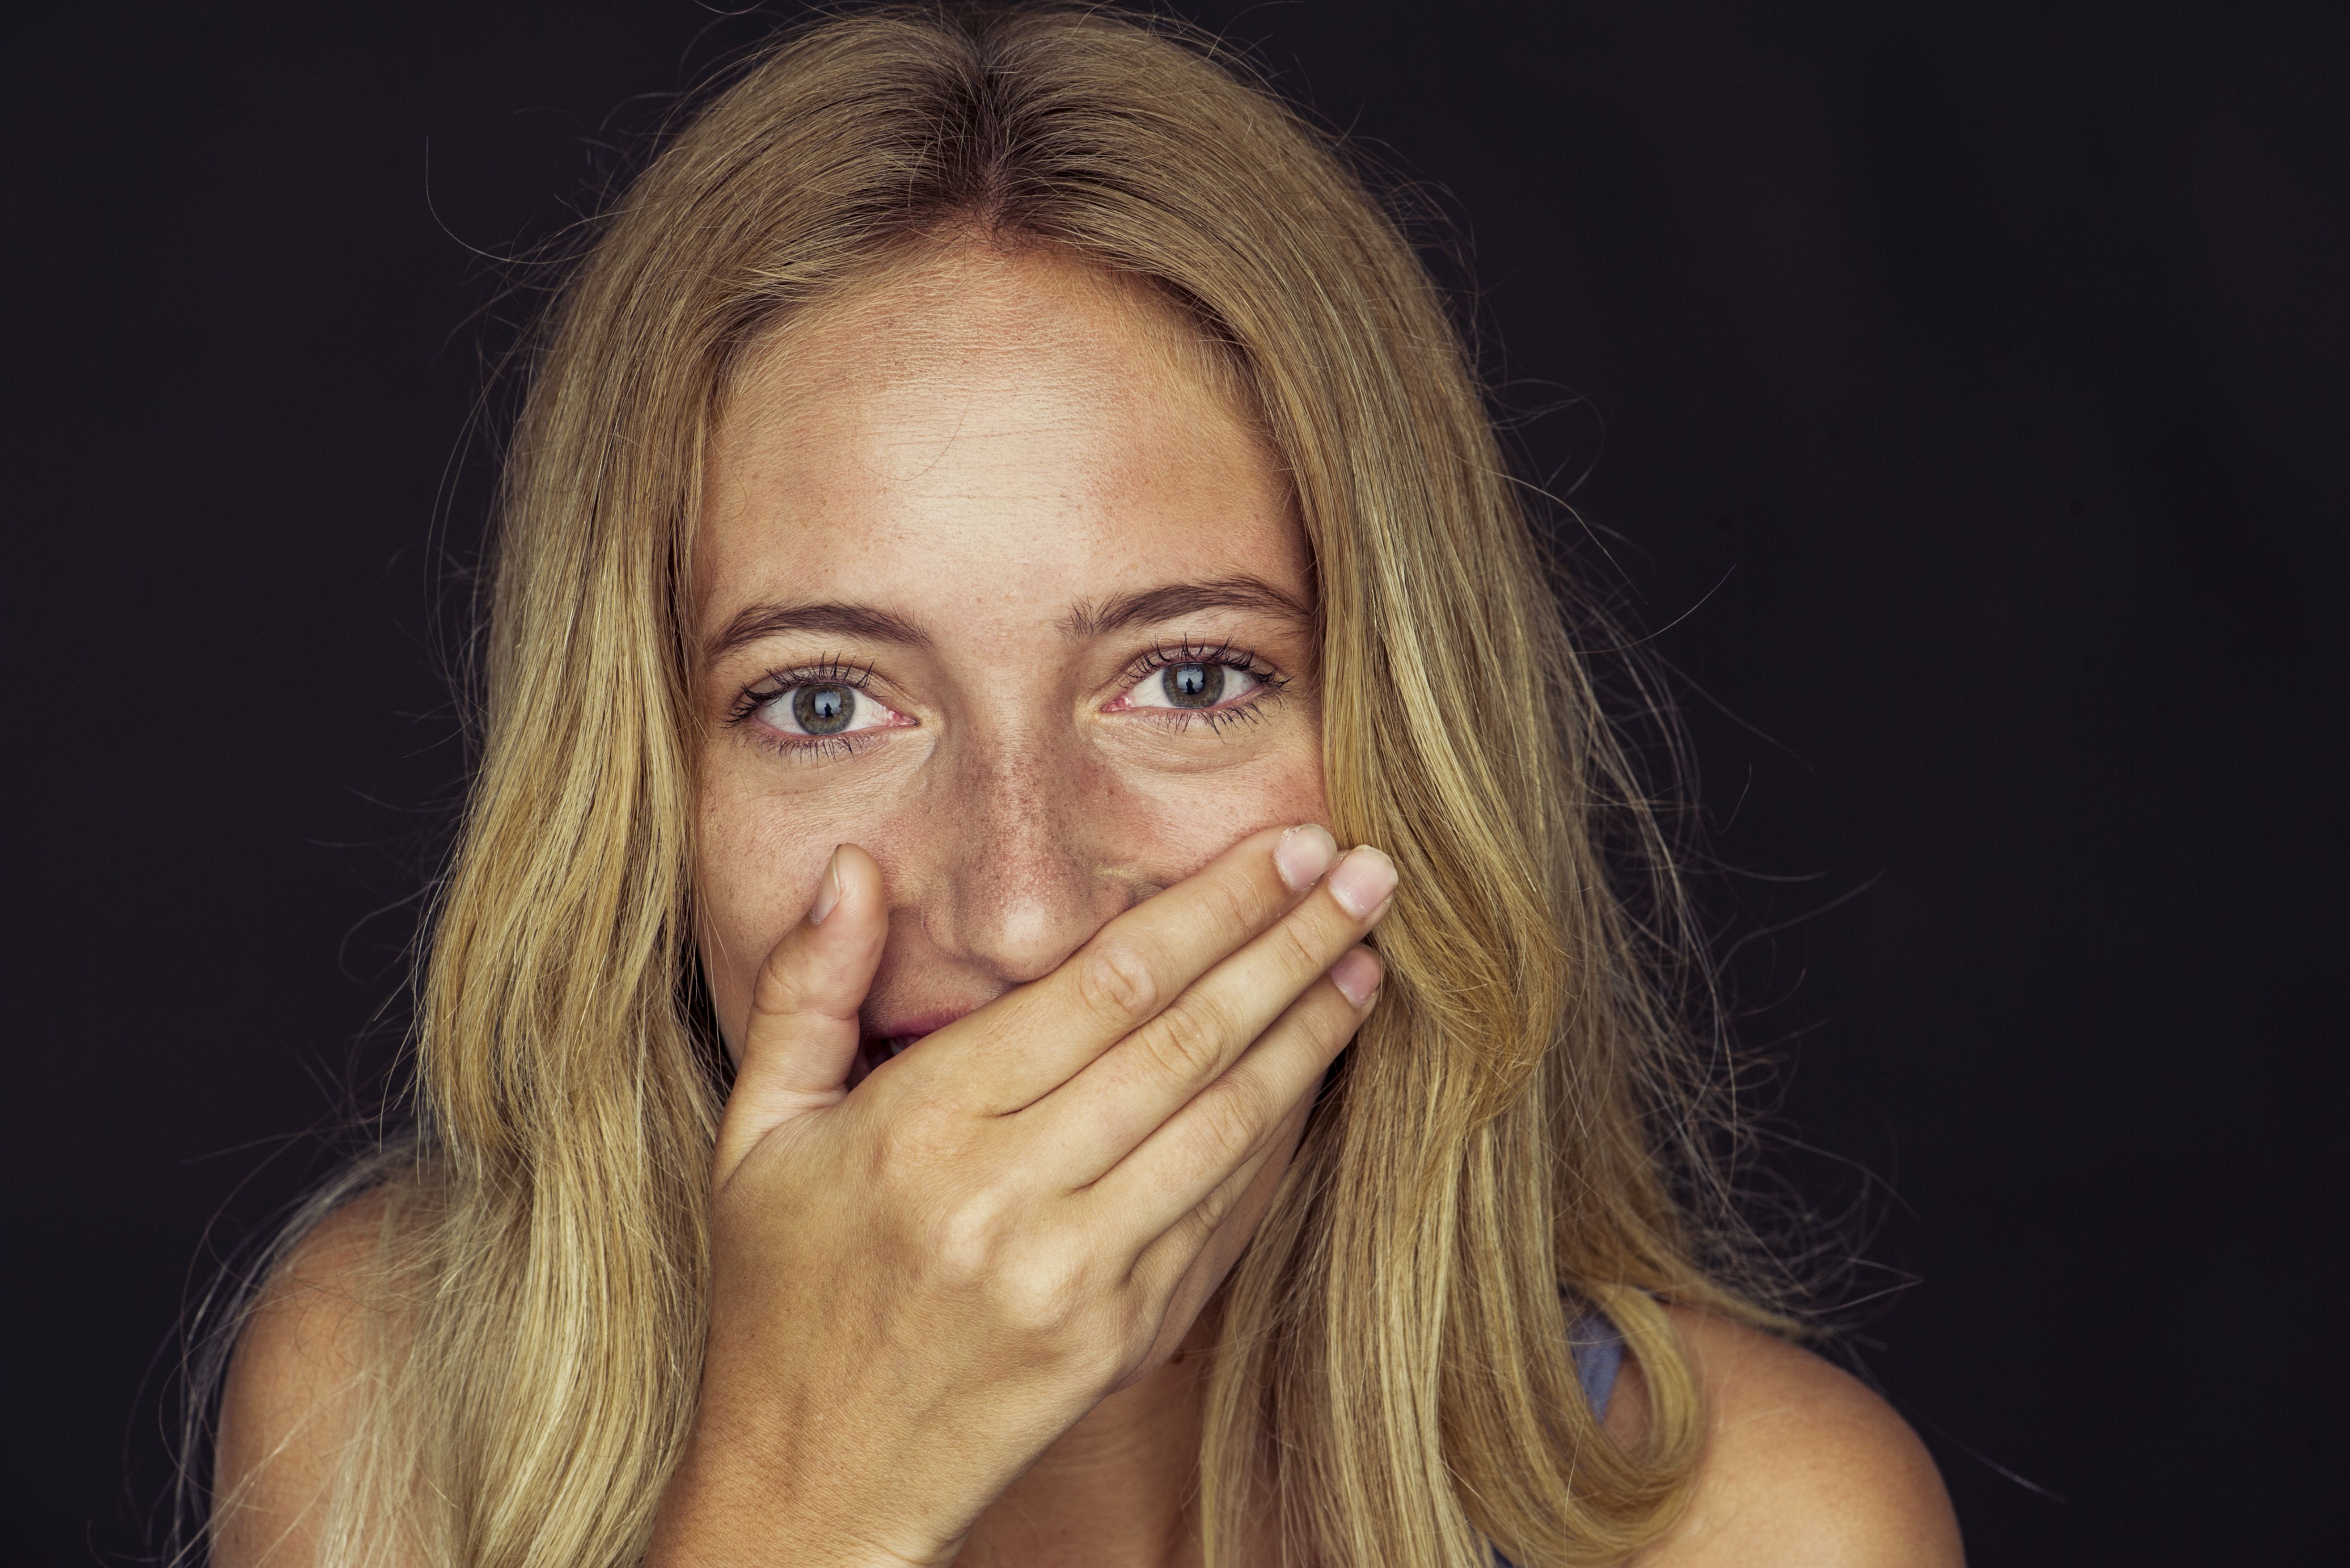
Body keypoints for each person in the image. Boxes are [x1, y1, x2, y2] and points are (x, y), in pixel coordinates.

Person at [204, 5, 1963, 1564]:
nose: (1027, 913)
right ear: (647, 801)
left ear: (1405, 760)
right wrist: (799, 1499)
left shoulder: (1761, 1525)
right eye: (824, 701)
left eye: (1191, 681)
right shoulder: (387, 1404)